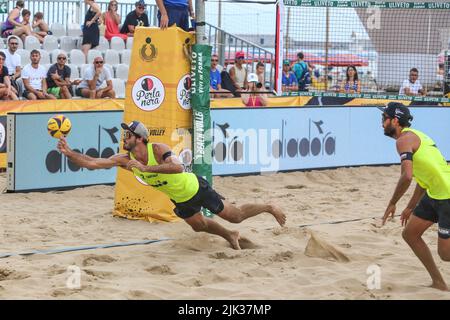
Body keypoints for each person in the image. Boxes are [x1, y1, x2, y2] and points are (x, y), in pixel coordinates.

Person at [57, 120, 286, 250]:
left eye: (127, 134)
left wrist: (147, 169)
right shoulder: (125, 160)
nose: (123, 137)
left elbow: (177, 167)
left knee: (235, 214)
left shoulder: (156, 148)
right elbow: (93, 162)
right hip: (180, 198)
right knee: (198, 226)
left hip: (195, 187)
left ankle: (268, 206)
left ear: (139, 137)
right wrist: (69, 153)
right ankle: (230, 236)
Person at [381, 102, 450, 291]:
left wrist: (392, 203)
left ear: (395, 121)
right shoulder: (416, 136)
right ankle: (439, 283)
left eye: (384, 118)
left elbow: (407, 176)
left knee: (445, 254)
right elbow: (422, 178)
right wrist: (410, 206)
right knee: (410, 234)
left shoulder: (402, 140)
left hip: (447, 195)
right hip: (434, 193)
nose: (381, 123)